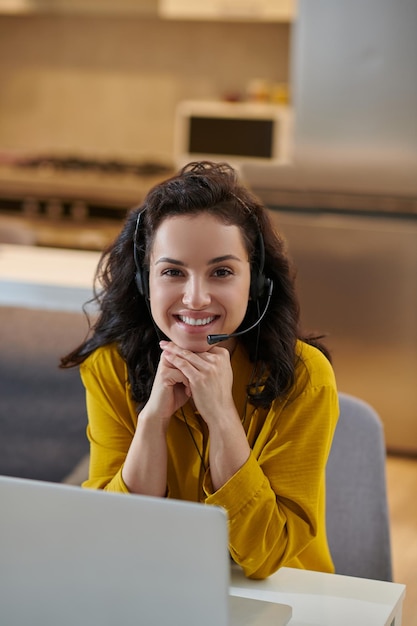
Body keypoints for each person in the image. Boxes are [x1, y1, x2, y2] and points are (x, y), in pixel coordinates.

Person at [60, 161, 339, 580]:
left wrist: (222, 416)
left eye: (222, 272)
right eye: (172, 272)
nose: (194, 298)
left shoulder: (304, 375)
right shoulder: (110, 366)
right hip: (160, 587)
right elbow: (114, 535)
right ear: (144, 281)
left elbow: (264, 557)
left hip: (284, 600)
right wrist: (152, 420)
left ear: (256, 283)